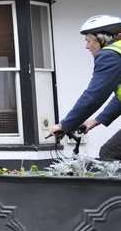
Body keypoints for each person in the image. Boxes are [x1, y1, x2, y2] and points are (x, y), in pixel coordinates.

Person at [49, 15, 121, 160]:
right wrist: (96, 121)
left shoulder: (110, 55)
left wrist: (65, 124)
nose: (86, 46)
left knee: (110, 154)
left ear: (102, 39)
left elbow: (94, 96)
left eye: (89, 40)